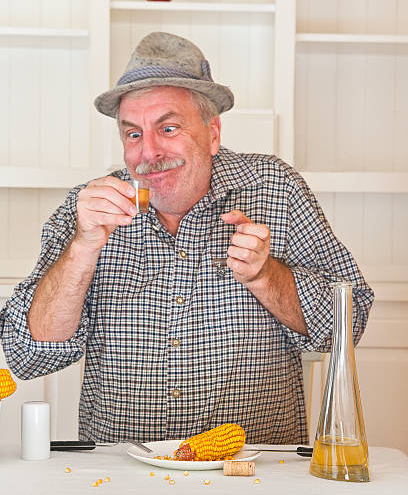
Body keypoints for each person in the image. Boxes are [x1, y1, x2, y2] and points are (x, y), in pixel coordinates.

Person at [0, 32, 374, 445]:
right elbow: (27, 354)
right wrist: (82, 249)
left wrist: (265, 276)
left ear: (213, 133)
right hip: (120, 481)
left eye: (169, 127)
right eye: (133, 134)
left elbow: (347, 324)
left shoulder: (275, 189)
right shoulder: (90, 208)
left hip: (255, 476)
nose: (148, 152)